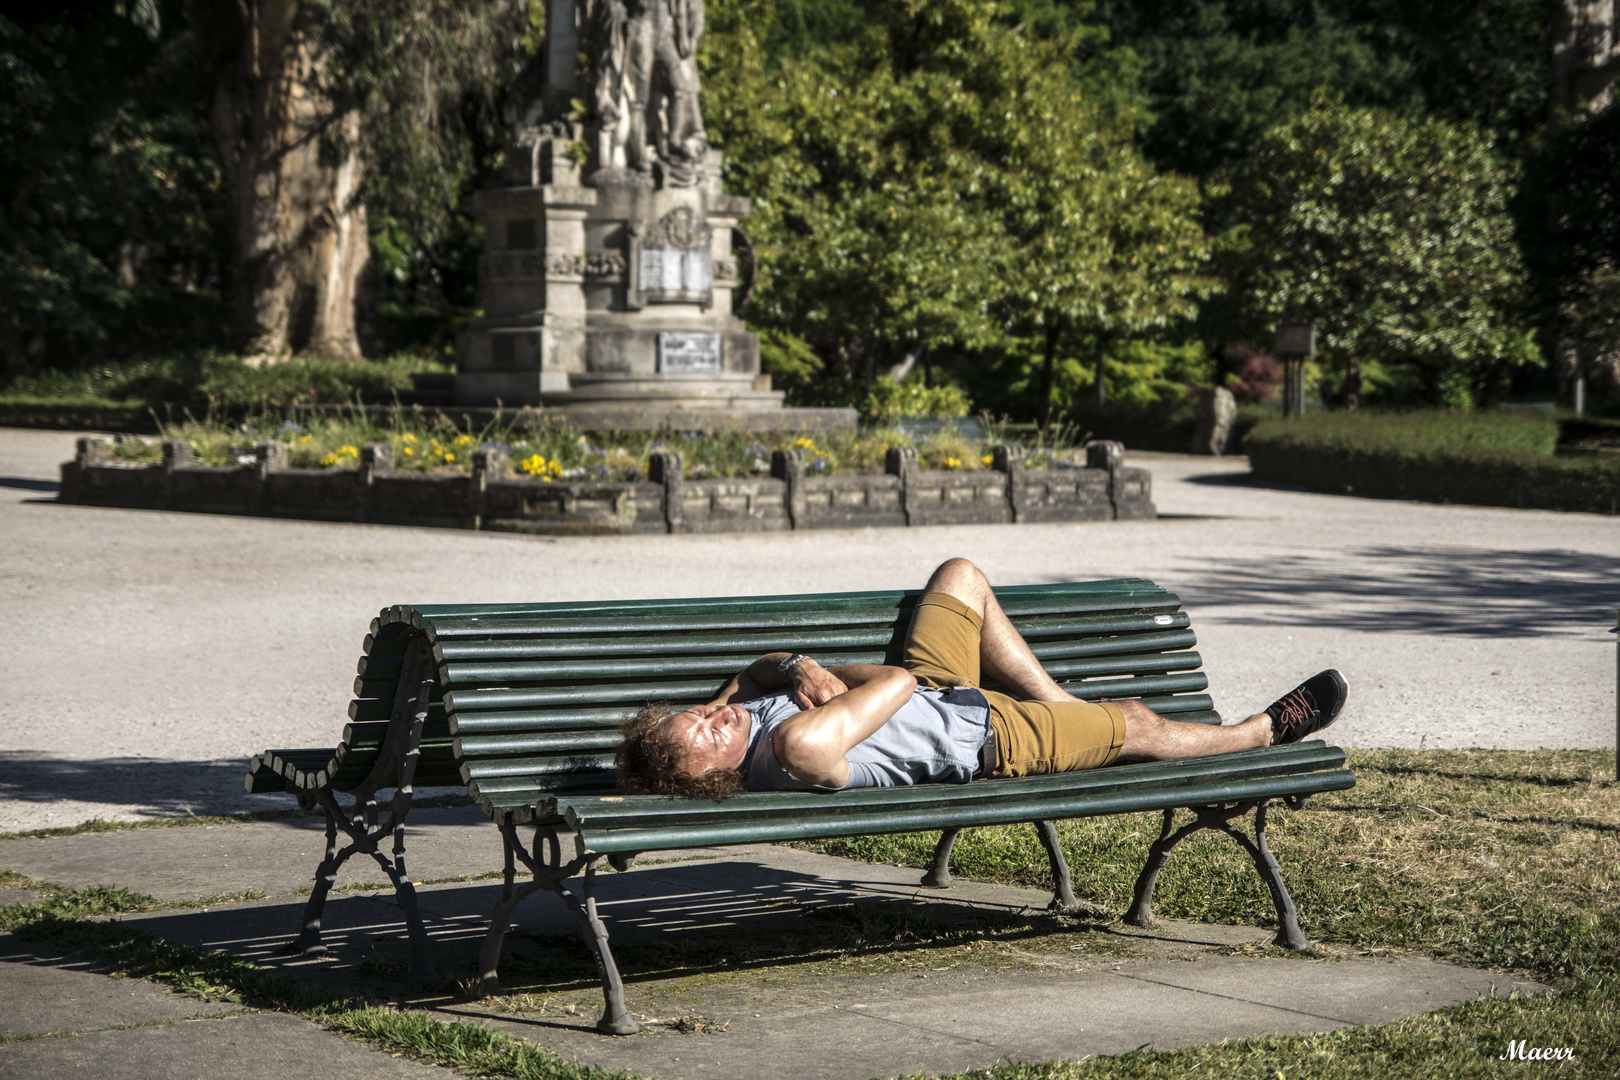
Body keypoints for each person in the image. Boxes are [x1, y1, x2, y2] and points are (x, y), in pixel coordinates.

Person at [616, 558, 1348, 798]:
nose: (717, 717)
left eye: (699, 713)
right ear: (717, 777)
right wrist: (830, 680)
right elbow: (901, 685)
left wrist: (792, 665)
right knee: (1136, 723)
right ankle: (1261, 732)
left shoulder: (734, 724)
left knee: (961, 576)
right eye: (710, 734)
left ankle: (1066, 709)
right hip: (988, 736)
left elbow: (747, 674)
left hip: (945, 698)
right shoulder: (798, 746)